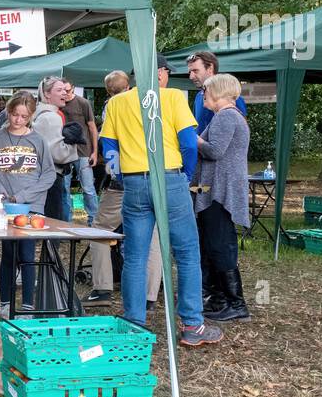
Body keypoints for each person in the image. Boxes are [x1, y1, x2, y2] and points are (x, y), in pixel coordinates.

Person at [100, 55, 223, 345]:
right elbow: (189, 142)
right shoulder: (172, 98)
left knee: (135, 255)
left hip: (133, 182)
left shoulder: (116, 103)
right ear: (160, 73)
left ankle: (134, 325)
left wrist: (120, 174)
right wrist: (185, 175)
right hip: (169, 178)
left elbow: (108, 147)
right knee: (187, 252)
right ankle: (193, 325)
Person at [86, 71, 163, 308]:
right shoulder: (161, 102)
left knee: (100, 232)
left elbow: (109, 142)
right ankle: (150, 294)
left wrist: (114, 172)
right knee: (152, 238)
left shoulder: (115, 106)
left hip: (125, 180)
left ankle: (102, 289)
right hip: (158, 177)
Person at [0, 93, 58, 318]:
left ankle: (28, 305)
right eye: (14, 115)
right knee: (8, 253)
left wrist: (24, 195)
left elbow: (48, 174)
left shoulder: (38, 141)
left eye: (24, 117)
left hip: (31, 206)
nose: (18, 120)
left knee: (26, 254)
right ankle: (5, 302)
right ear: (9, 112)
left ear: (31, 116)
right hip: (4, 206)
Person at [194, 74, 251, 322]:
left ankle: (237, 304)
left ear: (217, 91)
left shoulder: (227, 116)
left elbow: (214, 150)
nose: (203, 94)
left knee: (220, 245)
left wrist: (190, 138)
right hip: (213, 188)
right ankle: (219, 300)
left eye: (206, 90)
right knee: (211, 245)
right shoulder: (222, 116)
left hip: (221, 190)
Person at [32, 77, 81, 221]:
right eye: (59, 90)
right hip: (52, 175)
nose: (64, 93)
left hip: (37, 174)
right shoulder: (52, 117)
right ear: (47, 94)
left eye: (65, 90)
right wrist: (73, 145)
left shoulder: (37, 113)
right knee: (52, 223)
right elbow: (58, 154)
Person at [61, 81, 100, 224]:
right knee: (64, 189)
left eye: (68, 90)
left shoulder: (82, 103)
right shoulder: (58, 105)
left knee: (88, 188)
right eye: (62, 91)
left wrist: (95, 152)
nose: (65, 93)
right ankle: (66, 222)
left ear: (73, 88)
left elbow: (92, 127)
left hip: (83, 152)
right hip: (64, 152)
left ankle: (93, 221)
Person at [186, 50, 246, 134]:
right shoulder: (199, 97)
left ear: (210, 68)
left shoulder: (230, 95)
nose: (191, 76)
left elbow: (241, 132)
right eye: (190, 72)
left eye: (195, 71)